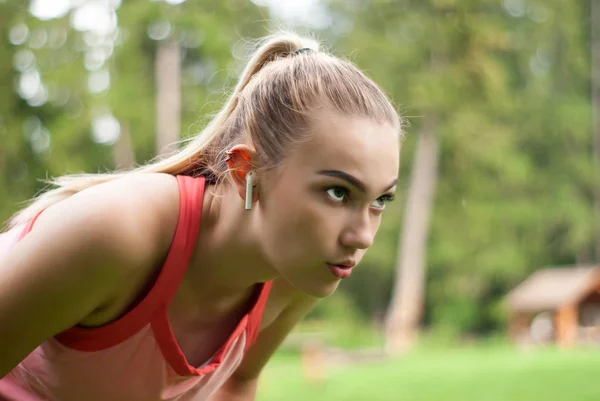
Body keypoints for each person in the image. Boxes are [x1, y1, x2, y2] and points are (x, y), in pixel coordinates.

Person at [0, 31, 402, 401]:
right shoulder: (119, 231)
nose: (363, 236)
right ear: (246, 171)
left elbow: (238, 382)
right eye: (338, 192)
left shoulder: (297, 272)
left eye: (381, 200)